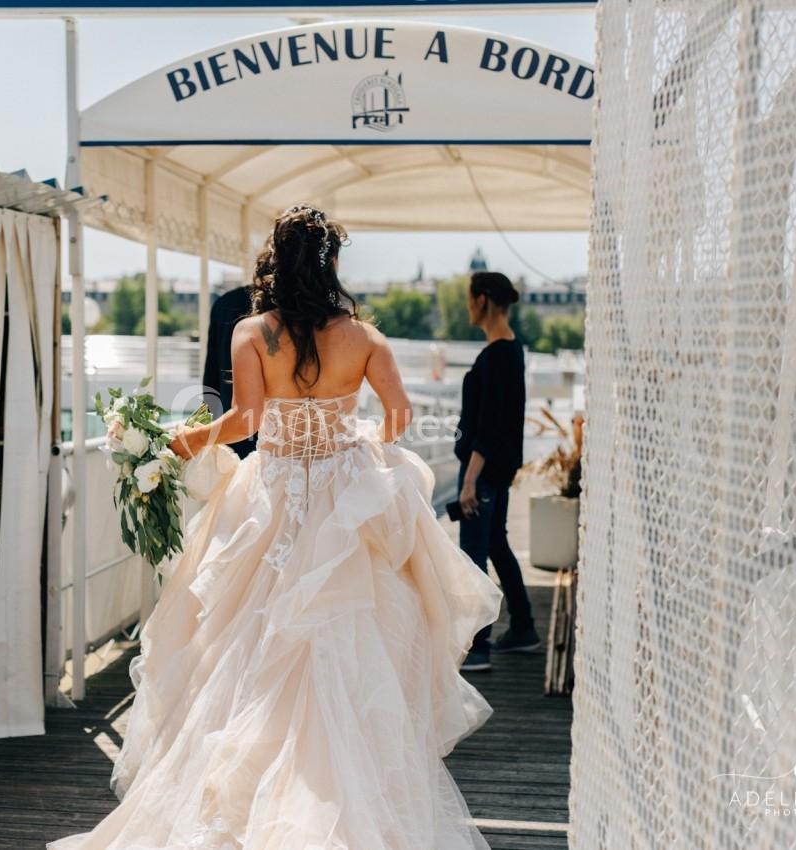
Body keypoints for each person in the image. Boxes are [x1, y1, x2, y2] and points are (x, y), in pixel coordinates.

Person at [49, 205, 502, 850]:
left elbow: (244, 419)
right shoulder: (365, 338)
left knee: (246, 641)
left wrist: (187, 440)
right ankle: (344, 795)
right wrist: (360, 442)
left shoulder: (252, 333)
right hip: (345, 496)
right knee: (349, 635)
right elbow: (400, 415)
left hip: (276, 494)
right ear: (330, 267)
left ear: (273, 263)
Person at [455, 271, 540, 673]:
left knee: (473, 554)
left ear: (484, 300)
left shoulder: (497, 356)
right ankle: (522, 624)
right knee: (496, 545)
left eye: (470, 298)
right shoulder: (511, 351)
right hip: (495, 469)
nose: (468, 306)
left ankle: (479, 645)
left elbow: (488, 425)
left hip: (483, 472)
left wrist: (471, 478)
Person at [201, 283, 256, 457]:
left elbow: (211, 379)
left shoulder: (224, 303)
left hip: (229, 431)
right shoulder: (292, 308)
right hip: (275, 439)